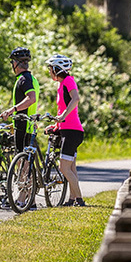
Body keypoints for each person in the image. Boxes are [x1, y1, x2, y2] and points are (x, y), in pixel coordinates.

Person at [45, 54, 85, 207]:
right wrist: (55, 126)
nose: (50, 72)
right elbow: (63, 108)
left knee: (64, 167)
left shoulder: (68, 80)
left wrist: (61, 116)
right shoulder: (61, 85)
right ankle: (72, 199)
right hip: (67, 130)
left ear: (57, 69)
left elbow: (75, 99)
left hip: (72, 131)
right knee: (71, 167)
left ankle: (80, 200)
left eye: (51, 69)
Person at [0, 47, 40, 154]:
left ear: (15, 63)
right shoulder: (32, 78)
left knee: (21, 161)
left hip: (23, 125)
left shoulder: (24, 79)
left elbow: (31, 99)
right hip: (27, 124)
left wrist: (11, 110)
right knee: (25, 160)